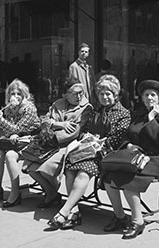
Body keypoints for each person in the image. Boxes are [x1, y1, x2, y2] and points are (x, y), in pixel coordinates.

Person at [47, 74, 131, 230]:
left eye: (108, 94)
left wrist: (97, 143)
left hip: (107, 154)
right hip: (89, 150)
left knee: (84, 171)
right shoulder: (96, 110)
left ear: (115, 94)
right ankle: (74, 211)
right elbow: (85, 130)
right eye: (101, 94)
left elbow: (116, 139)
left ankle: (64, 212)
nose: (105, 97)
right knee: (71, 168)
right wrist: (87, 139)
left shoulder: (123, 113)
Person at [102, 79, 159, 239]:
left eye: (153, 95)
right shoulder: (139, 114)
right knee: (108, 179)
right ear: (142, 98)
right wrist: (128, 145)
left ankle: (137, 221)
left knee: (129, 182)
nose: (149, 98)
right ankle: (120, 216)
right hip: (136, 157)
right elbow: (127, 135)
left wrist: (151, 119)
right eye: (146, 95)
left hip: (155, 159)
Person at [26, 77, 93, 209]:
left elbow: (73, 132)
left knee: (46, 169)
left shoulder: (86, 108)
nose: (79, 96)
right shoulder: (58, 104)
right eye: (75, 93)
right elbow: (44, 120)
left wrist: (50, 134)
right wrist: (58, 123)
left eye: (81, 92)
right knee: (30, 168)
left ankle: (52, 194)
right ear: (65, 95)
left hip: (69, 145)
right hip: (50, 143)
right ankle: (52, 193)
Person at [0, 79, 41, 207]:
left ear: (24, 95)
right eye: (12, 94)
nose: (15, 97)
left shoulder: (29, 108)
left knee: (10, 155)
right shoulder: (9, 108)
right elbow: (9, 130)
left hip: (31, 141)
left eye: (18, 94)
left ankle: (15, 193)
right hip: (17, 141)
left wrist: (1, 120)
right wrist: (4, 122)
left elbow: (17, 128)